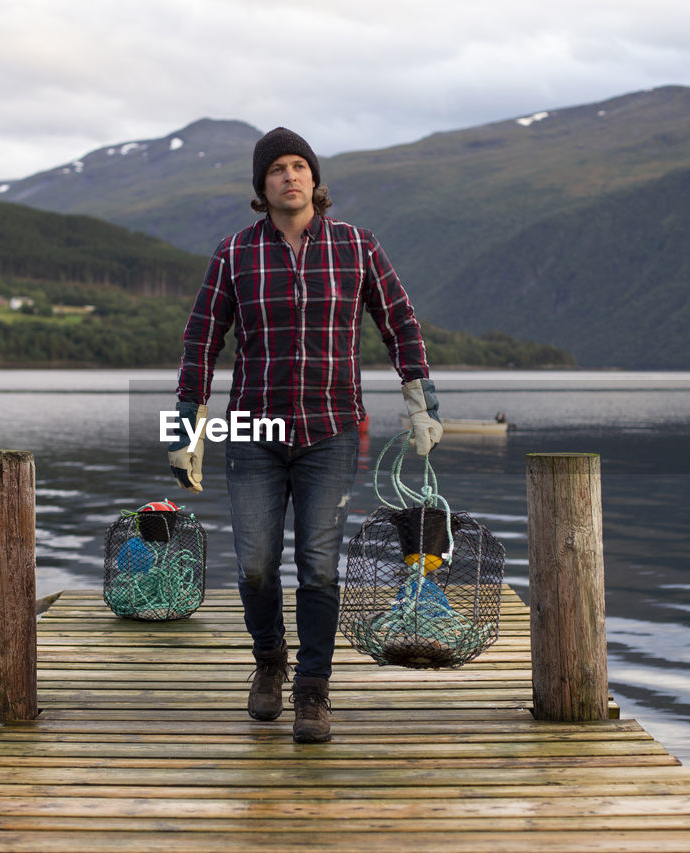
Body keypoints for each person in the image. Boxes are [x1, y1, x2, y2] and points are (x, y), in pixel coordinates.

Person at [168, 126, 442, 743]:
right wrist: (186, 424)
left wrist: (421, 400)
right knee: (257, 568)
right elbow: (198, 340)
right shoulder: (233, 254)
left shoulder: (357, 246)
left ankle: (313, 692)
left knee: (319, 567)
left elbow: (400, 320)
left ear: (316, 181)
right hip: (253, 429)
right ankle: (270, 663)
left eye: (299, 167)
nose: (290, 177)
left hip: (331, 430)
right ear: (261, 189)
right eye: (276, 171)